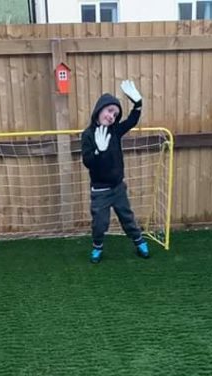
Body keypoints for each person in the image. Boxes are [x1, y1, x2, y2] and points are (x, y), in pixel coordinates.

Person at [80, 79, 150, 264]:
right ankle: (97, 246)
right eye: (109, 111)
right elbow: (88, 162)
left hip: (118, 188)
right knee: (100, 223)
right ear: (99, 109)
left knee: (127, 217)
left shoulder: (115, 131)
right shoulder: (88, 135)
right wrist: (98, 151)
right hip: (100, 191)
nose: (112, 116)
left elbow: (132, 121)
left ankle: (139, 241)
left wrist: (138, 104)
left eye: (115, 114)